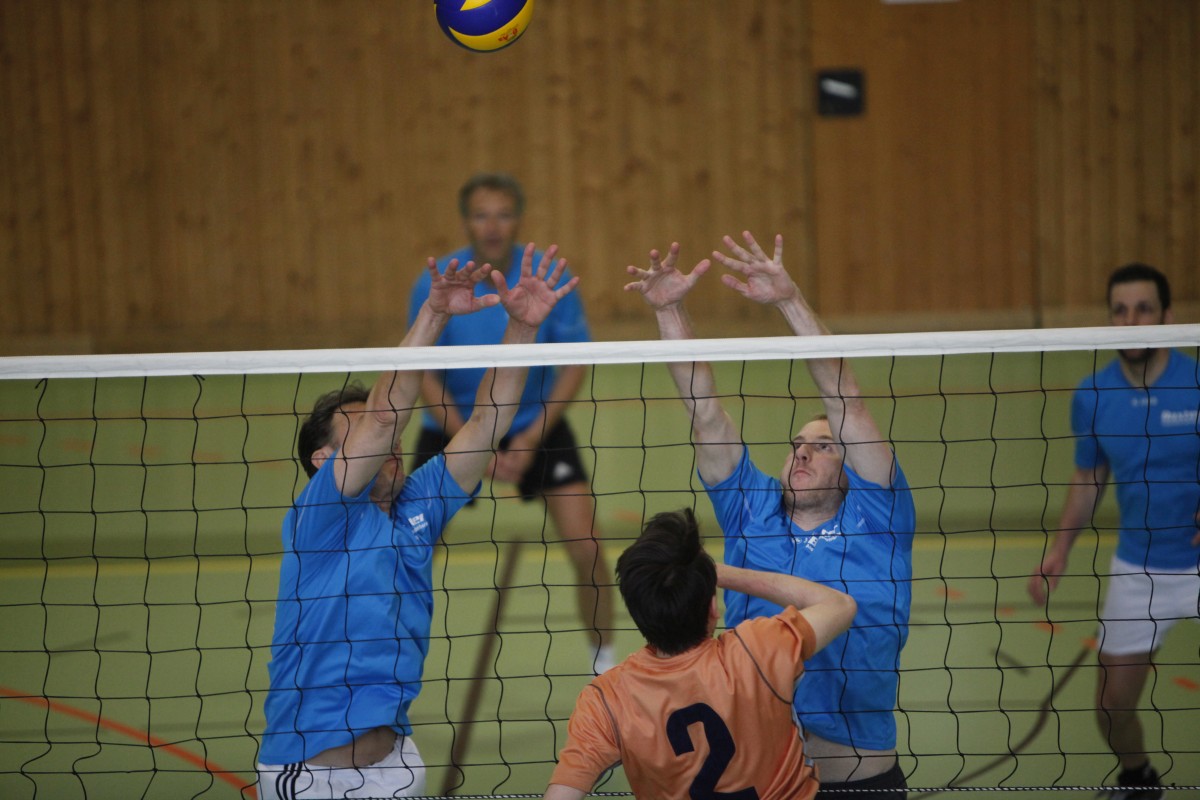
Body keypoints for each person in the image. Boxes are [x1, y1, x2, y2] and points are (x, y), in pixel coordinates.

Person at [257, 245, 579, 799]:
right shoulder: (321, 516)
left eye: (386, 439)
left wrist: (522, 328)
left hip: (399, 768)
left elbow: (487, 421)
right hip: (311, 778)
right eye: (360, 438)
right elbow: (386, 417)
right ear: (323, 461)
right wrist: (433, 314)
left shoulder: (417, 507)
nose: (387, 446)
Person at [626, 233, 915, 797]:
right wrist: (669, 311)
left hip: (859, 784)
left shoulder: (878, 517)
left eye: (824, 446)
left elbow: (847, 400)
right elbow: (704, 412)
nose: (803, 452)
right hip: (761, 783)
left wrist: (788, 300)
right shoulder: (751, 508)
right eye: (797, 444)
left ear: (852, 468)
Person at [408, 173, 615, 672]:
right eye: (482, 215)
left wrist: (529, 437)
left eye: (503, 214)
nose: (493, 226)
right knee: (405, 553)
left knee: (589, 548)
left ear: (517, 219)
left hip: (534, 425)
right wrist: (468, 439)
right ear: (466, 221)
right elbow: (421, 371)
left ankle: (606, 667)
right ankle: (389, 661)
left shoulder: (544, 275)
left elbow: (574, 364)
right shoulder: (439, 281)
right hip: (453, 427)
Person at [1028, 263, 1200, 800]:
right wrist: (1059, 551)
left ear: (1167, 317)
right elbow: (1089, 476)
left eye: (1144, 309)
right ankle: (1139, 779)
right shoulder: (1094, 394)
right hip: (1139, 568)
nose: (1131, 321)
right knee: (1110, 706)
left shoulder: (1196, 380)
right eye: (1120, 311)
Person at [545, 507, 857, 800]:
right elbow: (840, 605)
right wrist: (716, 573)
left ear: (636, 608)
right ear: (712, 607)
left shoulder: (607, 700)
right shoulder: (758, 649)